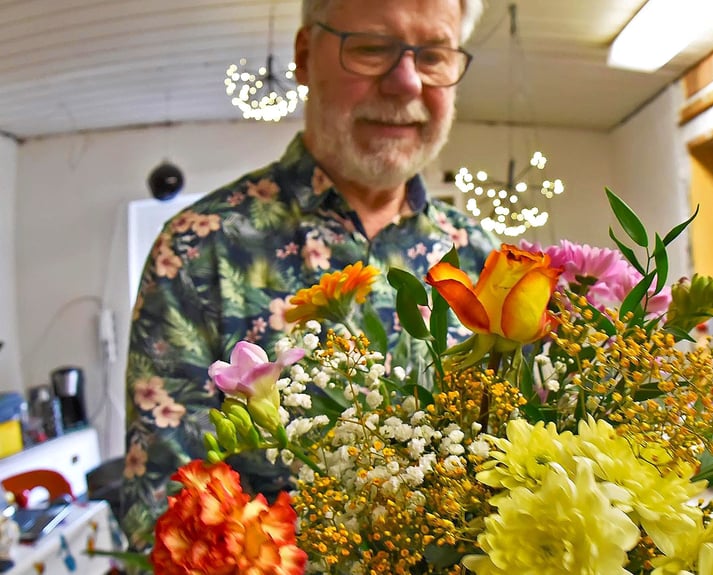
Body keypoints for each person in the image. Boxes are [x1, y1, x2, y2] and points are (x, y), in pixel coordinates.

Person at [120, 0, 493, 550]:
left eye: (433, 55)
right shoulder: (200, 247)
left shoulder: (485, 259)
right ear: (303, 56)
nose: (406, 82)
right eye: (371, 47)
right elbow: (162, 513)